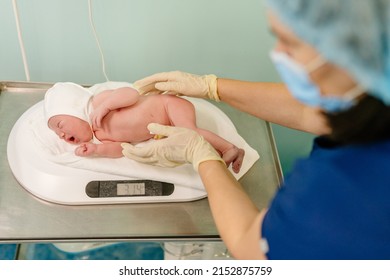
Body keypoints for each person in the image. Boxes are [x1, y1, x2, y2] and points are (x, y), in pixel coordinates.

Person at [122, 0, 390, 259]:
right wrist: (211, 86)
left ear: (349, 49)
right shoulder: (372, 92)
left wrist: (201, 155)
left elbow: (248, 245)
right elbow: (313, 113)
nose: (278, 54)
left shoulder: (338, 193)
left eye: (290, 42)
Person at [44, 82, 245, 173]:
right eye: (57, 134)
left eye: (60, 125)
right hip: (165, 127)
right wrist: (97, 149)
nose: (61, 134)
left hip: (168, 106)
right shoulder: (100, 135)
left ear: (74, 109)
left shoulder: (99, 102)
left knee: (190, 133)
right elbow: (120, 148)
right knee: (184, 138)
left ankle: (229, 148)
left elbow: (131, 94)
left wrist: (107, 106)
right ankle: (223, 152)